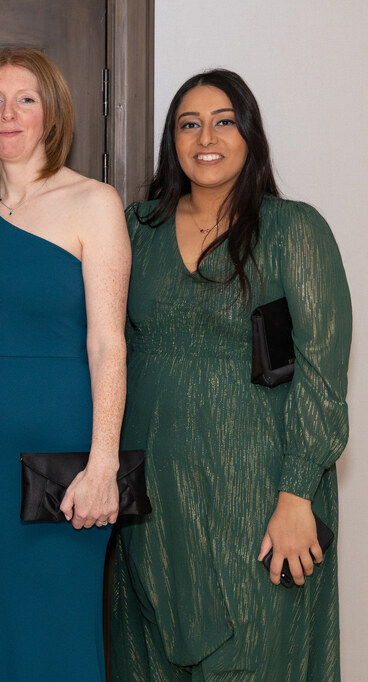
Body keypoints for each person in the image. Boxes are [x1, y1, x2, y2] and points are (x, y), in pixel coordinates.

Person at [110, 69, 350, 681]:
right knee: (147, 658)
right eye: (188, 124)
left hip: (260, 494)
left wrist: (296, 494)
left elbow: (321, 374)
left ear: (250, 134)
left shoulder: (294, 229)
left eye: (224, 122)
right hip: (152, 499)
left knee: (258, 653)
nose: (205, 137)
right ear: (172, 141)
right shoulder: (136, 228)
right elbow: (103, 348)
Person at [0, 47, 130, 680]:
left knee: (57, 625)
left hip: (63, 461)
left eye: (26, 99)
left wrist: (104, 464)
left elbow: (108, 344)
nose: (8, 113)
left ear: (52, 113)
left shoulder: (95, 202)